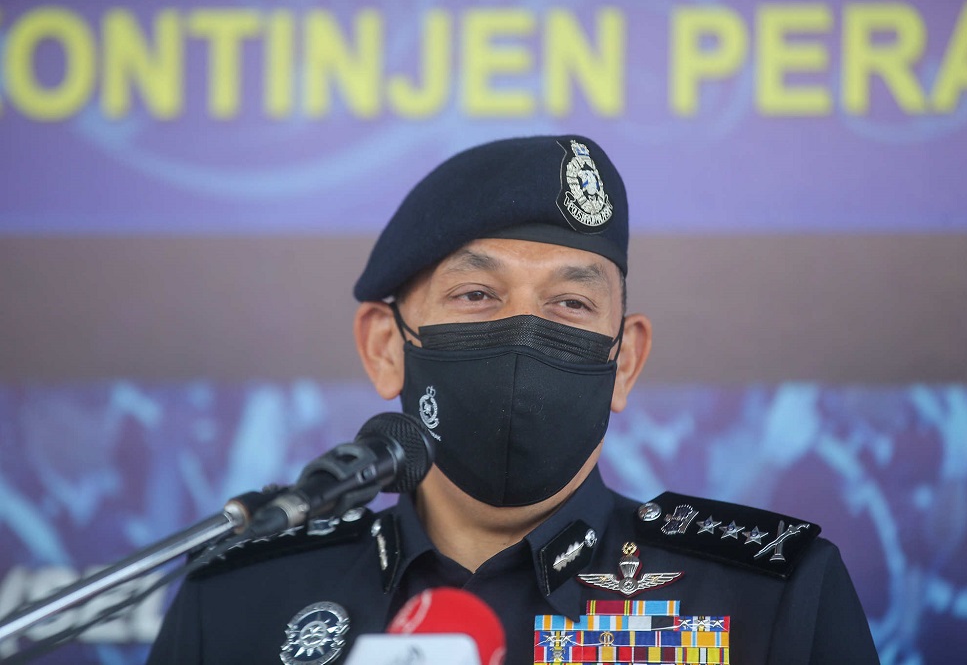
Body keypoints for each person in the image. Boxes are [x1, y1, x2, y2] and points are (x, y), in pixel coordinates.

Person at [147, 135, 879, 664]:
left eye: (569, 304)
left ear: (624, 362)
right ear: (385, 346)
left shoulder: (769, 595)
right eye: (476, 295)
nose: (524, 335)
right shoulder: (240, 603)